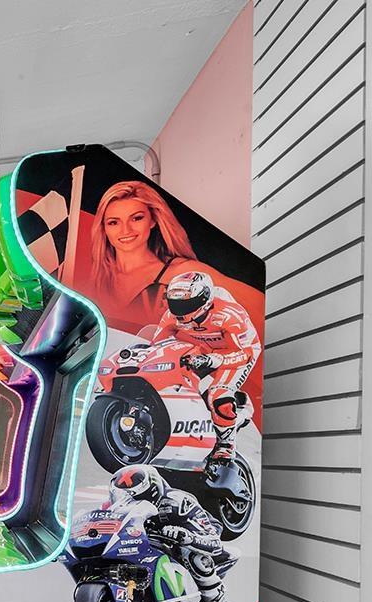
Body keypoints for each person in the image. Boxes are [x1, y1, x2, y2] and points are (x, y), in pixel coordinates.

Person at [108, 465, 249, 602]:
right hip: (147, 550)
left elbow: (213, 541)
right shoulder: (115, 509)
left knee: (194, 556)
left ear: (151, 490)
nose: (130, 501)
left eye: (135, 496)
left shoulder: (177, 501)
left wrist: (187, 536)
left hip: (195, 541)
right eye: (125, 496)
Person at [149, 271, 262, 468]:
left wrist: (213, 360)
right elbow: (155, 347)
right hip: (204, 348)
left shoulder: (230, 315)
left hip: (238, 352)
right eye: (175, 303)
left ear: (204, 300)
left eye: (187, 304)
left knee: (218, 395)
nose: (180, 310)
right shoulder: (171, 316)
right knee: (170, 371)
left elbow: (245, 353)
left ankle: (226, 444)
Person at [88, 181, 199, 321]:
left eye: (136, 218)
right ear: (103, 228)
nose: (126, 230)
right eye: (114, 222)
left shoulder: (182, 271)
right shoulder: (97, 278)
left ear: (153, 220)